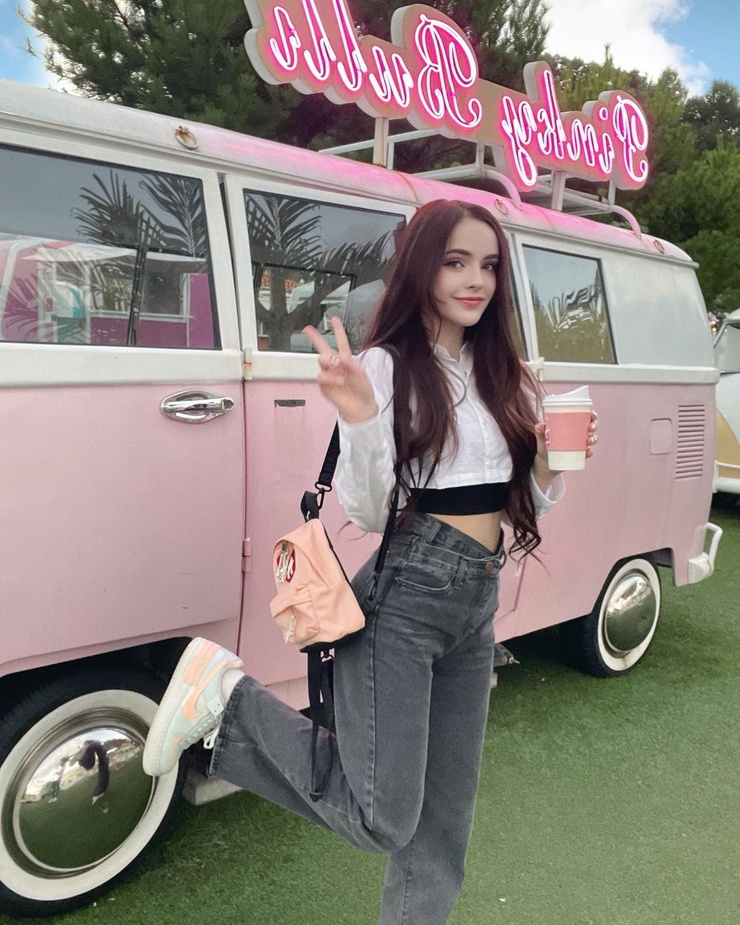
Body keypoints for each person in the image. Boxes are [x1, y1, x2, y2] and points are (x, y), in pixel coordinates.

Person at [143, 199, 598, 925]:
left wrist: (546, 462)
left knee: (442, 825)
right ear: (421, 268)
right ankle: (228, 700)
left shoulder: (502, 371)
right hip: (409, 592)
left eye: (488, 265)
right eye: (455, 262)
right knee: (383, 816)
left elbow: (525, 508)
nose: (475, 280)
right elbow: (369, 512)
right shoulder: (385, 366)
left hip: (476, 598)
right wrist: (358, 416)